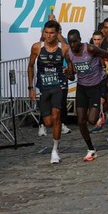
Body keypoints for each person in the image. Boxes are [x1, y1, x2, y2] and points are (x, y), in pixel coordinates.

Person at [28, 20, 75, 164]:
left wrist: (69, 72)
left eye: (52, 33)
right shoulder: (37, 47)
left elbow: (71, 69)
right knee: (48, 122)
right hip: (44, 87)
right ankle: (54, 137)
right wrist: (30, 88)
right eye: (46, 33)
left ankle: (55, 150)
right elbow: (30, 66)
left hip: (59, 86)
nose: (49, 36)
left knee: (56, 116)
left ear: (57, 33)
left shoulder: (64, 48)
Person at [67, 29, 108, 161]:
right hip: (81, 87)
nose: (73, 45)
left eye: (75, 41)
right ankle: (91, 149)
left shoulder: (90, 49)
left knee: (92, 121)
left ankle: (100, 111)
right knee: (80, 121)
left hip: (96, 86)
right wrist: (68, 74)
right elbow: (72, 75)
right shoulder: (68, 54)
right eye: (70, 42)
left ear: (80, 40)